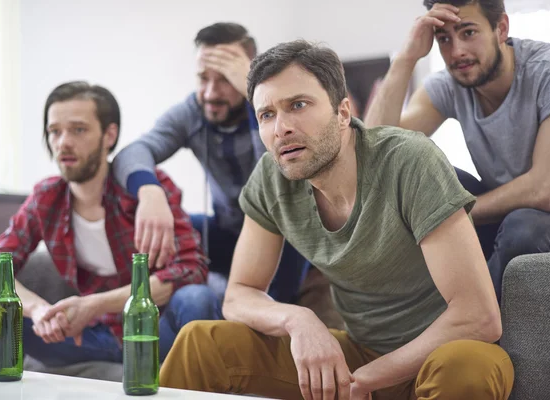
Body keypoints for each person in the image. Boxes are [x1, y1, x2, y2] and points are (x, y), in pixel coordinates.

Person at [157, 40, 515, 400]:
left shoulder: (409, 160)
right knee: (200, 344)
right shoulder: (272, 177)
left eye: (298, 105)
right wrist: (298, 321)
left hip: (444, 351)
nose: (281, 128)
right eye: (267, 115)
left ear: (343, 112)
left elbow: (478, 316)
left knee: (467, 370)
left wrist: (369, 378)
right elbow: (237, 296)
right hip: (359, 354)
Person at [0, 82, 219, 369]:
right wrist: (39, 311)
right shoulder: (46, 198)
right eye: (54, 131)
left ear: (108, 135)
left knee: (197, 298)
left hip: (151, 335)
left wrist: (92, 305)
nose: (63, 142)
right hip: (82, 338)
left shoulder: (148, 190)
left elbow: (190, 270)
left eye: (78, 129)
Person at [364, 0, 550, 303]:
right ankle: (427, 316)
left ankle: (477, 325)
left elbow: (547, 190)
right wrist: (406, 57)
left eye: (469, 32)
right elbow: (375, 155)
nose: (457, 51)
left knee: (522, 227)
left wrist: (450, 215)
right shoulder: (450, 84)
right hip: (514, 208)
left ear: (501, 28)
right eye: (444, 39)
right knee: (434, 178)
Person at [111, 22, 309, 303]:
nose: (211, 93)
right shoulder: (193, 111)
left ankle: (274, 315)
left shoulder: (278, 111)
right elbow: (133, 152)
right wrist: (150, 192)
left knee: (290, 231)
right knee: (169, 226)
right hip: (228, 232)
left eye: (226, 79)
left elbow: (283, 175)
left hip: (285, 233)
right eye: (203, 78)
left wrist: (257, 94)